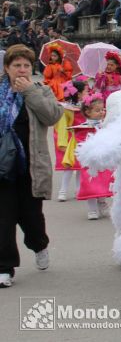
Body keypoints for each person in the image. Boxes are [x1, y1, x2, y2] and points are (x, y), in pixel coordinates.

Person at [0, 45, 64, 288]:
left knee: (31, 218)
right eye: (17, 65)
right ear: (7, 68)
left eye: (26, 65)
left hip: (30, 166)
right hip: (3, 168)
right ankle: (5, 268)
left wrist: (29, 93)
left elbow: (52, 116)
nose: (22, 70)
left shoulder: (41, 90)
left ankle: (39, 244)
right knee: (3, 219)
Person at [74, 94, 114, 220]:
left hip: (103, 159)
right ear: (87, 112)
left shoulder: (105, 125)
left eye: (102, 110)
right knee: (90, 183)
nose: (101, 112)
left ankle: (102, 202)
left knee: (102, 182)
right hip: (89, 161)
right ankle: (92, 208)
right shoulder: (83, 127)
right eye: (97, 110)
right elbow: (80, 142)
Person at [56, 79, 88, 201]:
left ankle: (79, 190)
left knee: (80, 166)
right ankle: (63, 190)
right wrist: (63, 143)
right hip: (71, 140)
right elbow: (62, 126)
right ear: (78, 93)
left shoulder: (84, 106)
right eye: (85, 91)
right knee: (69, 166)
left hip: (82, 139)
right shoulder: (66, 108)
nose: (87, 93)